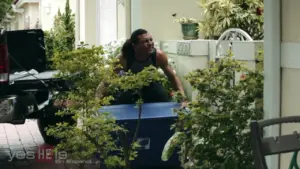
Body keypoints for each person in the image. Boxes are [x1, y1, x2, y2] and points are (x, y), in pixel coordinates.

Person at [111, 29, 187, 107]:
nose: (150, 43)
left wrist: (183, 99)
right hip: (130, 87)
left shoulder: (158, 56)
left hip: (152, 86)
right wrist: (98, 101)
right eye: (146, 41)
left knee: (163, 102)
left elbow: (172, 77)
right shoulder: (124, 58)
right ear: (135, 45)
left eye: (151, 40)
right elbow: (108, 80)